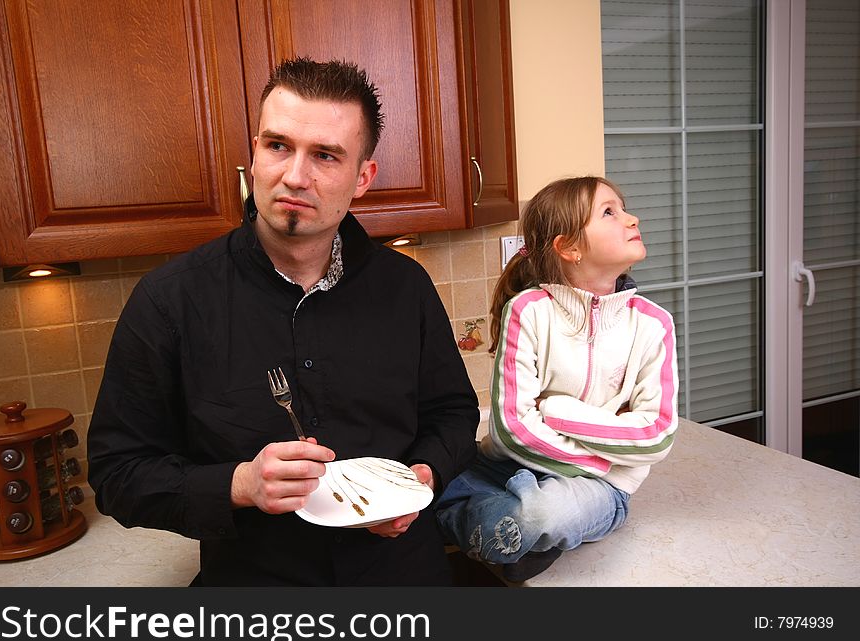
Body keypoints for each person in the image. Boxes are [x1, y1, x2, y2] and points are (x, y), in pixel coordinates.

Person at [87, 57, 479, 586]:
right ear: (253, 154)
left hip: (405, 575)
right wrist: (241, 484)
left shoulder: (405, 287)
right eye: (277, 146)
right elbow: (117, 474)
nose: (295, 175)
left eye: (325, 155)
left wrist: (419, 478)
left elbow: (453, 412)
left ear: (362, 177)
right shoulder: (169, 301)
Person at [435, 176, 678, 582]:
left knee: (544, 513)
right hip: (505, 466)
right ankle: (508, 534)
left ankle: (500, 528)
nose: (631, 218)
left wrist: (557, 411)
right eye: (609, 212)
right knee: (426, 473)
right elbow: (513, 429)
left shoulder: (654, 325)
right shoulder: (528, 311)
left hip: (598, 488)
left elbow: (656, 434)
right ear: (569, 248)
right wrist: (607, 455)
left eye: (623, 207)